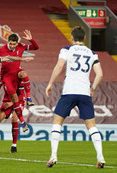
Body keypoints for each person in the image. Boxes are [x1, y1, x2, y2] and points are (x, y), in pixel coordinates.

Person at [45, 26, 105, 168]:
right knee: (92, 126)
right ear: (84, 38)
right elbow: (100, 74)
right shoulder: (92, 54)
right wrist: (93, 89)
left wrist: (50, 83)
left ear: (72, 37)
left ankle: (53, 156)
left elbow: (60, 66)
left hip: (69, 91)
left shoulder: (66, 50)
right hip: (84, 92)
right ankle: (100, 157)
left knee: (57, 122)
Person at [0, 30, 39, 132]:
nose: (13, 46)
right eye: (11, 44)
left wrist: (31, 40)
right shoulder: (1, 50)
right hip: (6, 77)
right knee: (14, 97)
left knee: (23, 74)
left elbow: (36, 47)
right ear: (7, 41)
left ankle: (29, 97)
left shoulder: (21, 46)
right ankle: (23, 122)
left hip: (17, 73)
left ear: (17, 43)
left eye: (14, 44)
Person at [0, 78, 26, 153]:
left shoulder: (19, 75)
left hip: (19, 100)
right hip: (7, 100)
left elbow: (21, 94)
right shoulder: (3, 76)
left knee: (14, 118)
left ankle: (14, 145)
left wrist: (12, 103)